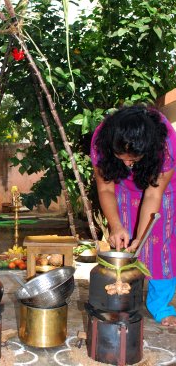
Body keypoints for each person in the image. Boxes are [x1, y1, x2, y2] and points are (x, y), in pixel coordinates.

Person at [90, 104, 176, 326]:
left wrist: (142, 235)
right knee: (126, 243)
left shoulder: (165, 146)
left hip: (161, 188)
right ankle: (128, 296)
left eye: (134, 159)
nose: (128, 164)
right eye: (122, 157)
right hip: (124, 189)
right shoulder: (101, 143)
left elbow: (153, 194)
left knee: (158, 242)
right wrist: (116, 225)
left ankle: (160, 304)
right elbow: (106, 189)